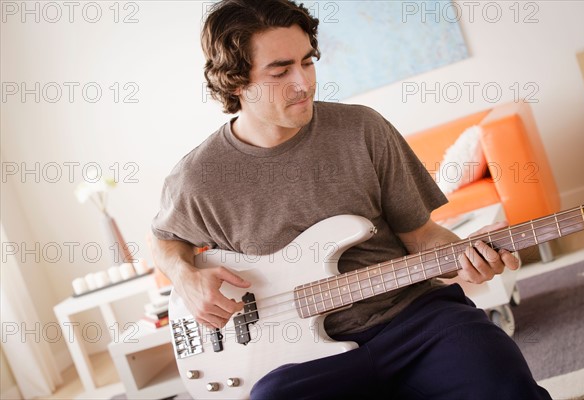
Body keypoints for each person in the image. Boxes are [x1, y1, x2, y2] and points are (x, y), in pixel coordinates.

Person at [151, 0, 551, 398]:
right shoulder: (198, 177)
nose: (303, 82)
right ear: (236, 81)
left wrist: (467, 258)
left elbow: (421, 237)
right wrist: (185, 278)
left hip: (414, 320)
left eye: (307, 62)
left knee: (499, 376)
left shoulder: (363, 129)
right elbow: (165, 240)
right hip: (301, 360)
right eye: (281, 70)